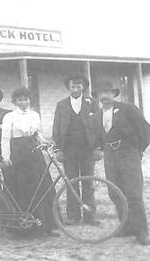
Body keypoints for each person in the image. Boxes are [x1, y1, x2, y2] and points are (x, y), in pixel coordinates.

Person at [92, 81, 150, 245]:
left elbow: (146, 130)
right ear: (97, 97)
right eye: (100, 94)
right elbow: (97, 138)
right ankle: (127, 226)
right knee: (115, 192)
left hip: (129, 154)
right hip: (110, 157)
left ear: (114, 94)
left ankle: (142, 232)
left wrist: (138, 151)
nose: (104, 96)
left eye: (107, 92)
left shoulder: (128, 109)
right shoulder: (97, 116)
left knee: (133, 194)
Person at [1, 87, 60, 237]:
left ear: (29, 100)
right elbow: (5, 138)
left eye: (26, 99)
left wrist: (44, 141)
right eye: (20, 99)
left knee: (42, 186)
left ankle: (46, 225)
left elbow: (37, 133)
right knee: (23, 188)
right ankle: (25, 228)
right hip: (18, 153)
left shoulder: (34, 115)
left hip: (34, 153)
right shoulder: (9, 116)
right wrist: (6, 156)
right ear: (14, 101)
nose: (23, 102)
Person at [52, 73, 100, 225]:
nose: (76, 87)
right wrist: (58, 149)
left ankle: (90, 215)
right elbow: (56, 128)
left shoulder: (92, 102)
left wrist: (98, 147)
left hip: (87, 149)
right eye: (73, 84)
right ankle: (73, 215)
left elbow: (98, 126)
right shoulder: (61, 104)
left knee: (88, 182)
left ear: (84, 87)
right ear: (68, 87)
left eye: (79, 84)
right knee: (71, 181)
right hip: (69, 149)